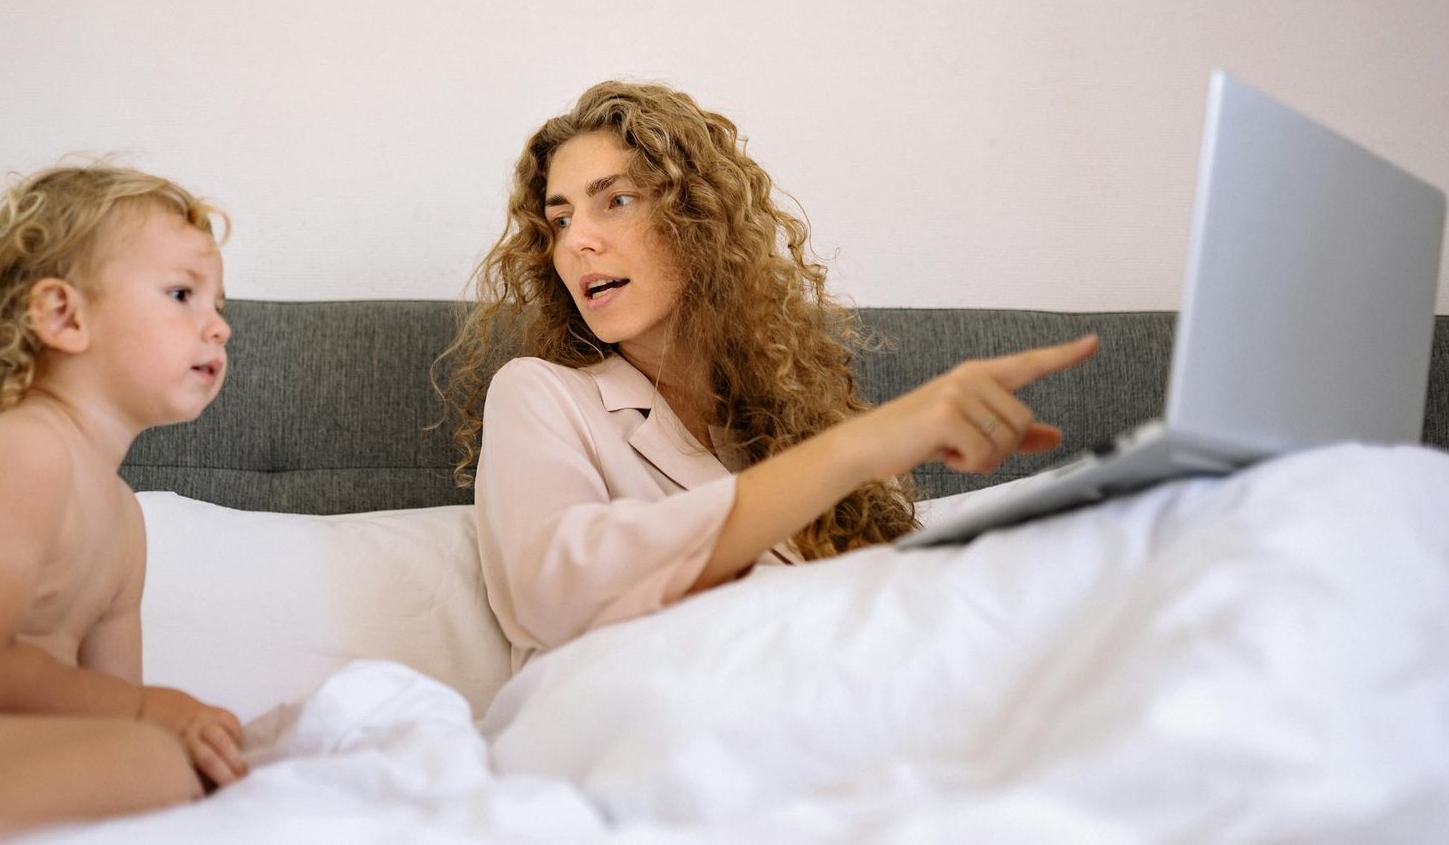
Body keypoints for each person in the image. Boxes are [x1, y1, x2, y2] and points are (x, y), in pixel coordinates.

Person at [439, 81, 1099, 671]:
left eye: (615, 200)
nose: (577, 239)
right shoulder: (541, 393)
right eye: (559, 219)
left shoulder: (782, 422)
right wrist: (856, 448)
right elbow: (553, 591)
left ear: (697, 221)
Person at [0, 162, 247, 837]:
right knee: (144, 763)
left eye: (219, 305)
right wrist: (149, 716)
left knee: (165, 770)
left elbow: (107, 700)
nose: (218, 328)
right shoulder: (21, 453)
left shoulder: (124, 520)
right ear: (64, 315)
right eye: (183, 294)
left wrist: (165, 732)